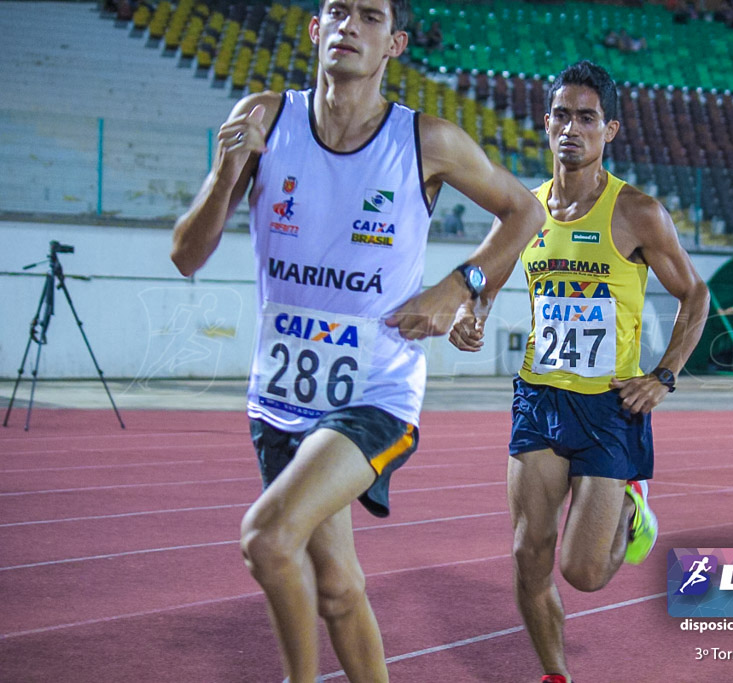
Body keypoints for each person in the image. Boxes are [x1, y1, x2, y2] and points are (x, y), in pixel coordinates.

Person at [169, 2, 545, 682]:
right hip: (280, 397)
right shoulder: (263, 118)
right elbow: (186, 255)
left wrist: (461, 286)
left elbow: (526, 209)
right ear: (314, 30)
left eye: (368, 16)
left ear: (394, 43)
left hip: (376, 391)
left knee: (267, 536)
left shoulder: (426, 141)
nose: (349, 25)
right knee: (338, 588)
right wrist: (228, 174)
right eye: (336, 11)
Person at [449, 60, 709, 683]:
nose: (572, 128)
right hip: (539, 399)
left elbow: (695, 296)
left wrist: (664, 375)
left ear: (610, 129)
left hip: (608, 409)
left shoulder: (638, 212)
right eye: (561, 115)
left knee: (584, 573)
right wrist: (470, 311)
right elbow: (485, 278)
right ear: (545, 123)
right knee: (526, 555)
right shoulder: (524, 212)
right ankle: (555, 674)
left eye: (586, 118)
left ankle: (629, 509)